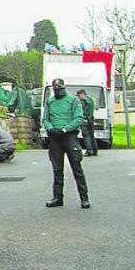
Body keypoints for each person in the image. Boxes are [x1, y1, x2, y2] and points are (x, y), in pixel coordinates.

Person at [42, 79, 90, 209]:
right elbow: (45, 118)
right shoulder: (50, 101)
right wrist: (50, 128)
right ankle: (57, 197)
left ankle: (84, 198)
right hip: (54, 137)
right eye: (55, 87)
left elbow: (79, 118)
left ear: (64, 87)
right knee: (57, 168)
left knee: (76, 168)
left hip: (69, 136)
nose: (57, 89)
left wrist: (65, 129)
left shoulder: (73, 100)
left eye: (59, 87)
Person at [77, 89, 98, 156]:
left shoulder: (83, 101)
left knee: (86, 135)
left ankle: (89, 151)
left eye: (78, 95)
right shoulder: (90, 100)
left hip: (85, 119)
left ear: (82, 94)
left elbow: (81, 110)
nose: (78, 97)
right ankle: (95, 150)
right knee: (92, 135)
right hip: (91, 119)